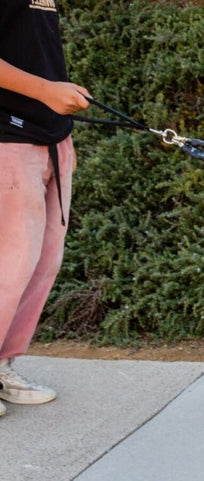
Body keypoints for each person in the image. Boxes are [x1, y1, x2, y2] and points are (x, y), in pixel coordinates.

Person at [0, 0, 91, 417]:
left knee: (43, 263)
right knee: (9, 267)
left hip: (53, 137)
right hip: (8, 140)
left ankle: (3, 365)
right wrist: (45, 91)